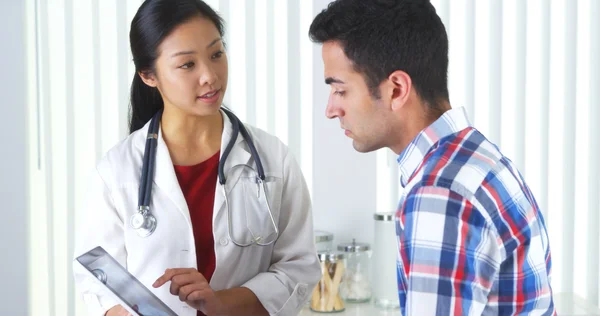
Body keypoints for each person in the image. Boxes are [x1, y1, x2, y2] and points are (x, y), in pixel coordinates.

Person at [73, 1, 321, 315]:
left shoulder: (272, 159)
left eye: (216, 54)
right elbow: (96, 281)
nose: (209, 76)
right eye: (187, 64)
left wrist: (221, 304)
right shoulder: (116, 172)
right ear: (149, 75)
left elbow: (299, 268)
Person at [309, 0, 555, 314]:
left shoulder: (441, 194)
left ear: (396, 89)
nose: (331, 110)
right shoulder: (477, 159)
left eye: (340, 90)